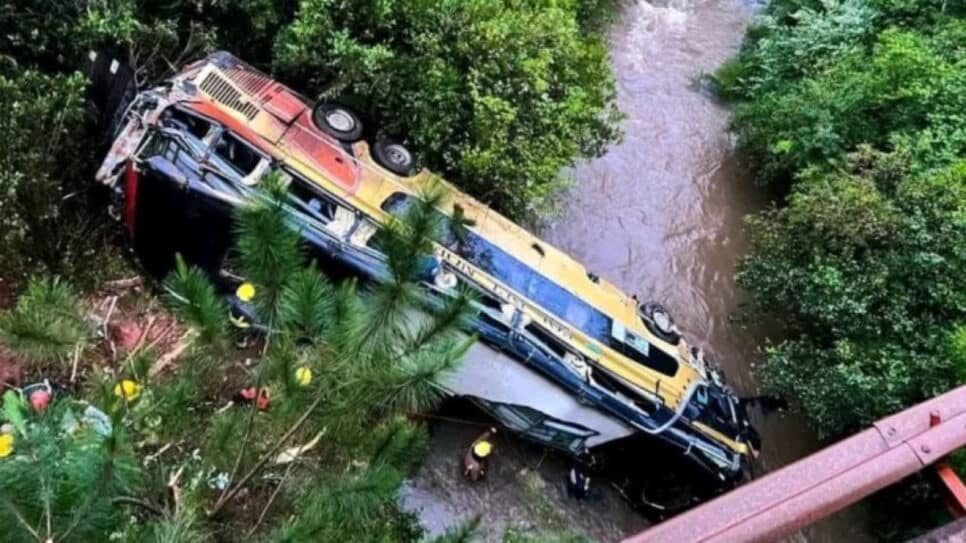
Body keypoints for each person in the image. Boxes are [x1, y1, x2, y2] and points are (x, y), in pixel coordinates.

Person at [229, 282, 258, 348]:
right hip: (243, 324)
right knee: (249, 330)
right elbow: (252, 319)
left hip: (234, 320)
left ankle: (241, 339)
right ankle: (243, 342)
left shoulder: (234, 300)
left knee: (240, 330)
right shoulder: (245, 307)